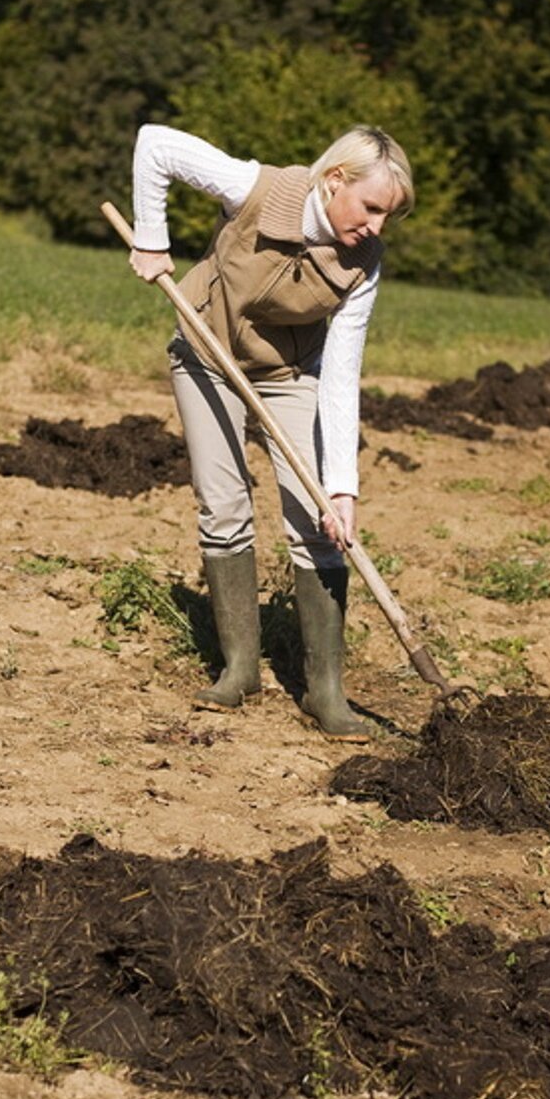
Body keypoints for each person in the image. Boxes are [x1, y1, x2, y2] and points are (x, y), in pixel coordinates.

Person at [129, 123, 414, 743]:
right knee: (222, 502)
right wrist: (152, 239)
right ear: (335, 180)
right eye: (370, 208)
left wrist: (341, 487)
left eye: (386, 216)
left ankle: (325, 691)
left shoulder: (363, 262)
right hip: (206, 355)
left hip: (290, 374)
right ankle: (238, 668)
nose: (375, 227)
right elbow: (156, 144)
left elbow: (341, 378)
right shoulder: (257, 188)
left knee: (317, 519)